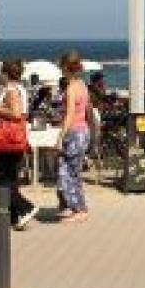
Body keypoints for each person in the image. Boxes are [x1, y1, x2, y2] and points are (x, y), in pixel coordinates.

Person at [0, 58, 38, 230]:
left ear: (6, 73)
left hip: (8, 138)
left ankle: (25, 207)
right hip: (16, 137)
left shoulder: (11, 90)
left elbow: (16, 113)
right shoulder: (20, 89)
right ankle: (13, 218)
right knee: (10, 176)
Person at [55, 50, 92, 223]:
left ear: (65, 68)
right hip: (82, 131)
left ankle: (80, 209)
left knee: (70, 173)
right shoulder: (82, 85)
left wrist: (60, 136)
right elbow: (86, 111)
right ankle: (70, 206)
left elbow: (69, 115)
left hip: (73, 133)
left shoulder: (71, 88)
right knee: (68, 171)